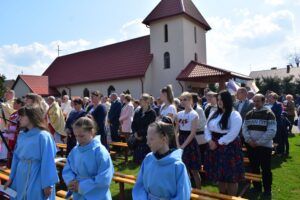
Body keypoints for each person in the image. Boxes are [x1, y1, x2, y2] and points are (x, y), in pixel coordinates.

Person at [4, 105, 59, 199]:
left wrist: (48, 184)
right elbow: (16, 158)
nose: (19, 119)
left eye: (22, 116)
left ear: (32, 117)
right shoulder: (22, 135)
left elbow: (48, 160)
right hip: (21, 174)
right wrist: (11, 178)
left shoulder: (43, 136)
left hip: (37, 174)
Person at [132, 117, 191, 199]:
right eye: (147, 139)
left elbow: (182, 195)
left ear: (164, 139)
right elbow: (140, 186)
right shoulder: (148, 159)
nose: (147, 143)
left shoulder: (177, 166)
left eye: (151, 139)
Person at [63, 117, 114, 200]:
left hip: (97, 196)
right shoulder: (75, 150)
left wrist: (81, 186)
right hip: (78, 194)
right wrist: (71, 182)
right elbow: (68, 169)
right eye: (76, 136)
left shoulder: (100, 152)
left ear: (91, 132)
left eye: (82, 136)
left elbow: (104, 178)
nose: (78, 139)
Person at [204, 90, 244, 195]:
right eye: (218, 99)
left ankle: (231, 197)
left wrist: (217, 143)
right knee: (220, 175)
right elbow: (206, 127)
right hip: (214, 145)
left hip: (229, 147)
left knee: (231, 177)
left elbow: (233, 133)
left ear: (227, 100)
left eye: (222, 99)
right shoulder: (214, 113)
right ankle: (223, 195)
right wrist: (209, 140)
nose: (219, 102)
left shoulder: (234, 115)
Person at [243, 94, 277, 198]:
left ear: (263, 101)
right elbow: (244, 128)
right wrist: (249, 140)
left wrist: (258, 142)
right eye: (254, 101)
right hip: (251, 146)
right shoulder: (249, 114)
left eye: (258, 101)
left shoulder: (269, 113)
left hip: (264, 147)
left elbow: (272, 131)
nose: (255, 103)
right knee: (254, 168)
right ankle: (257, 187)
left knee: (266, 169)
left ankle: (267, 190)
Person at [176, 92, 202, 189]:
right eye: (181, 100)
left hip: (190, 143)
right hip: (181, 140)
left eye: (185, 99)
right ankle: (187, 189)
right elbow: (176, 130)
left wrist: (183, 146)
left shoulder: (194, 114)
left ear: (191, 101)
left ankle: (199, 190)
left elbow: (192, 133)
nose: (182, 102)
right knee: (184, 169)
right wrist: (178, 144)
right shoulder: (179, 114)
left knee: (194, 170)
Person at [131, 93, 156, 164]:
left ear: (146, 101)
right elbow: (133, 124)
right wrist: (135, 133)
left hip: (147, 140)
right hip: (137, 140)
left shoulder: (152, 113)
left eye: (141, 99)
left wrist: (140, 134)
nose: (139, 101)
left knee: (146, 161)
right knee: (137, 161)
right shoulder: (137, 112)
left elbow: (151, 126)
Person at [3, 98, 24, 168]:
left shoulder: (23, 113)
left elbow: (22, 127)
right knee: (10, 151)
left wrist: (12, 131)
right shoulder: (14, 113)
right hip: (11, 136)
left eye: (15, 103)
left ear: (20, 104)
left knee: (15, 152)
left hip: (18, 137)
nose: (13, 104)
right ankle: (9, 167)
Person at [191, 93, 207, 165]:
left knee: (200, 158)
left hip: (199, 138)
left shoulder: (199, 110)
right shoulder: (188, 110)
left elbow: (202, 124)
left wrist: (189, 126)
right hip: (192, 137)